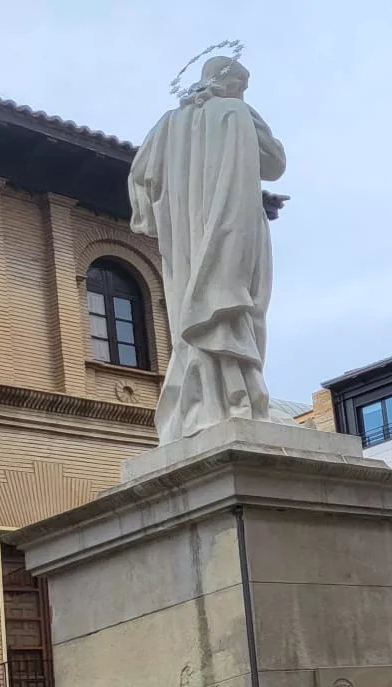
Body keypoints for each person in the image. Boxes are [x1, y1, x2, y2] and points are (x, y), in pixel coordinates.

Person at [128, 55, 287, 442]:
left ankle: (210, 399)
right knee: (239, 301)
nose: (244, 91)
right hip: (232, 221)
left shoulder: (167, 126)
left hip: (184, 240)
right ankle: (242, 395)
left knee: (196, 307)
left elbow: (139, 177)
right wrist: (249, 113)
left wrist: (156, 221)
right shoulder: (236, 113)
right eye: (243, 84)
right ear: (226, 80)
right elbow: (275, 164)